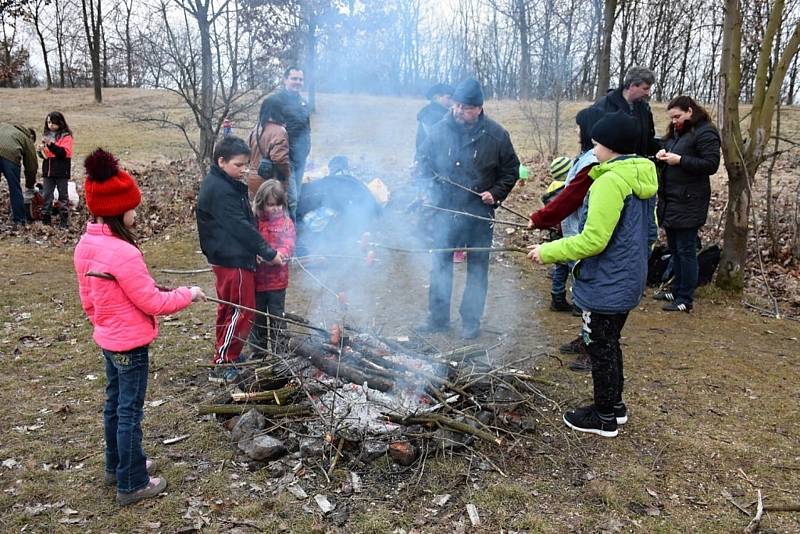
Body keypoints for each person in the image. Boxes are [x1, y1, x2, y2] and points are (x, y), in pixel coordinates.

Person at [73, 148, 206, 505]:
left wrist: (101, 323)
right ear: (119, 209)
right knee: (130, 412)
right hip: (130, 345)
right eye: (133, 207)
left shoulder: (86, 244)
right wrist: (188, 294)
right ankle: (132, 482)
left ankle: (116, 465)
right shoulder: (124, 252)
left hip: (108, 339)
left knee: (115, 405)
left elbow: (91, 297)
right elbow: (152, 303)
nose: (137, 212)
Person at [529, 111, 658, 438]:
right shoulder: (641, 175)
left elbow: (593, 239)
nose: (593, 148)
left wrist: (547, 252)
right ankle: (615, 406)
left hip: (606, 280)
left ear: (611, 146)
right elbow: (649, 233)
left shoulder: (609, 182)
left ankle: (602, 417)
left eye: (597, 143)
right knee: (610, 342)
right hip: (629, 275)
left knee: (599, 345)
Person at [417, 78, 520, 340]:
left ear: (478, 108)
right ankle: (437, 318)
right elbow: (423, 161)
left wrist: (495, 193)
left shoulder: (497, 135)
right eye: (456, 106)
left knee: (477, 267)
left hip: (478, 212)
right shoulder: (440, 130)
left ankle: (470, 321)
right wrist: (427, 186)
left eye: (464, 107)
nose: (458, 111)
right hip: (445, 209)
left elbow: (511, 170)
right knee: (440, 263)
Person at [196, 136, 282, 383]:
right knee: (243, 311)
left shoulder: (224, 182)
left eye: (246, 164)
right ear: (221, 161)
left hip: (227, 255)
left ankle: (226, 352)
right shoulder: (220, 190)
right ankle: (224, 362)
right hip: (232, 260)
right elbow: (240, 226)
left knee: (229, 308)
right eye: (238, 164)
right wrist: (268, 252)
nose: (244, 169)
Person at [528, 106, 604, 372]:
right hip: (574, 231)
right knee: (581, 289)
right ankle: (586, 336)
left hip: (585, 235)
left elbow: (571, 196)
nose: (576, 130)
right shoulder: (586, 157)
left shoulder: (594, 161)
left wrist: (541, 218)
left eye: (579, 125)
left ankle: (592, 345)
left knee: (590, 292)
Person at [655, 95, 721, 312]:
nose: (674, 121)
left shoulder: (706, 132)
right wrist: (661, 154)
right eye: (672, 117)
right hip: (672, 200)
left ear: (690, 111)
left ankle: (685, 298)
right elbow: (669, 148)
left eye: (678, 116)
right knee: (675, 249)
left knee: (686, 250)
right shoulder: (679, 132)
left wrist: (680, 160)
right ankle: (676, 288)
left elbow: (710, 164)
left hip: (689, 202)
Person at [250, 179, 295, 355]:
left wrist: (279, 255)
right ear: (262, 203)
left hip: (278, 281)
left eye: (278, 205)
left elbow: (289, 244)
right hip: (257, 280)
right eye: (270, 205)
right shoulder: (255, 221)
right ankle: (259, 351)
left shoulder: (286, 223)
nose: (275, 209)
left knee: (277, 317)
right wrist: (255, 256)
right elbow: (250, 242)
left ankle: (280, 351)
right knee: (257, 317)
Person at [270, 66, 311, 220]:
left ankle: (289, 228)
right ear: (285, 79)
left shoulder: (303, 103)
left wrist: (307, 150)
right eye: (294, 78)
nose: (298, 82)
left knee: (296, 197)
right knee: (291, 199)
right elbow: (268, 131)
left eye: (300, 79)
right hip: (285, 159)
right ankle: (288, 234)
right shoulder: (276, 102)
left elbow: (307, 129)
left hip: (301, 158)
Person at [592, 66, 660, 158]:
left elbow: (648, 139)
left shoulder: (645, 108)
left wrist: (661, 151)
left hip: (636, 165)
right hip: (609, 166)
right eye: (645, 88)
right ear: (632, 86)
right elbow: (592, 138)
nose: (648, 93)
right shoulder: (604, 105)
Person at [540, 155, 574, 312]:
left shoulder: (552, 189)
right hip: (566, 233)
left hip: (554, 234)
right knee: (575, 267)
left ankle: (557, 297)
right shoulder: (567, 190)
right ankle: (579, 303)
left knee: (560, 267)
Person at [246, 96, 291, 198]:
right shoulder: (280, 131)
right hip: (270, 182)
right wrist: (287, 176)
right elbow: (280, 160)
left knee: (256, 211)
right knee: (274, 212)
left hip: (253, 179)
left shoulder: (256, 129)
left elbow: (246, 153)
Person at [38, 111, 74, 227]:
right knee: (47, 195)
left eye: (53, 122)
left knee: (63, 196)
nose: (50, 125)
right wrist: (40, 151)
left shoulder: (66, 136)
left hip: (61, 171)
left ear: (60, 122)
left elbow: (64, 153)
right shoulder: (47, 135)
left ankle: (64, 221)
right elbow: (46, 155)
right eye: (48, 122)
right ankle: (46, 219)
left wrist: (51, 145)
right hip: (48, 171)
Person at [0, 122, 38, 225]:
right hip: (10, 156)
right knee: (14, 188)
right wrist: (30, 186)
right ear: (31, 137)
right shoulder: (27, 139)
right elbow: (31, 166)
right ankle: (19, 220)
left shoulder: (5, 126)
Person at [415, 83, 454, 157]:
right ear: (437, 98)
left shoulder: (429, 112)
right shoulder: (434, 116)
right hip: (432, 162)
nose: (452, 102)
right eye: (449, 98)